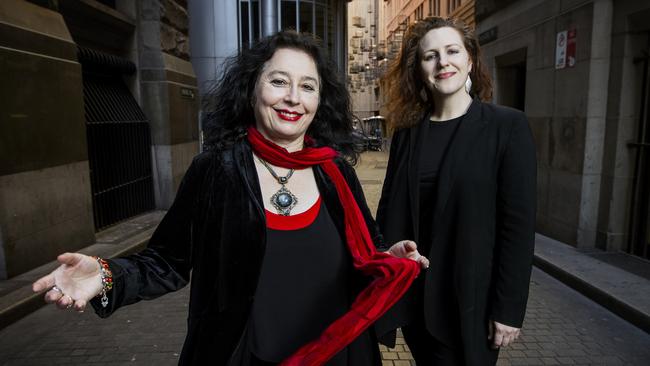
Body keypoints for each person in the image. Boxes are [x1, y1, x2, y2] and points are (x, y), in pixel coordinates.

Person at [32, 31, 428, 366]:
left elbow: (363, 250)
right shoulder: (217, 169)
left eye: (307, 86)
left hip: (338, 352)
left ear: (318, 102)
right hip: (244, 355)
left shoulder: (335, 172)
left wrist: (387, 256)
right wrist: (105, 276)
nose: (293, 97)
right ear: (252, 87)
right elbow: (166, 261)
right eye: (278, 81)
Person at [375, 17, 537, 366]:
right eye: (429, 55)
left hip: (471, 304)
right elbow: (388, 210)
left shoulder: (506, 127)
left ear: (471, 60)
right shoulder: (407, 133)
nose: (442, 62)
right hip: (415, 301)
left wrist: (508, 309)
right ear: (419, 69)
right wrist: (385, 258)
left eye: (452, 51)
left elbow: (517, 229)